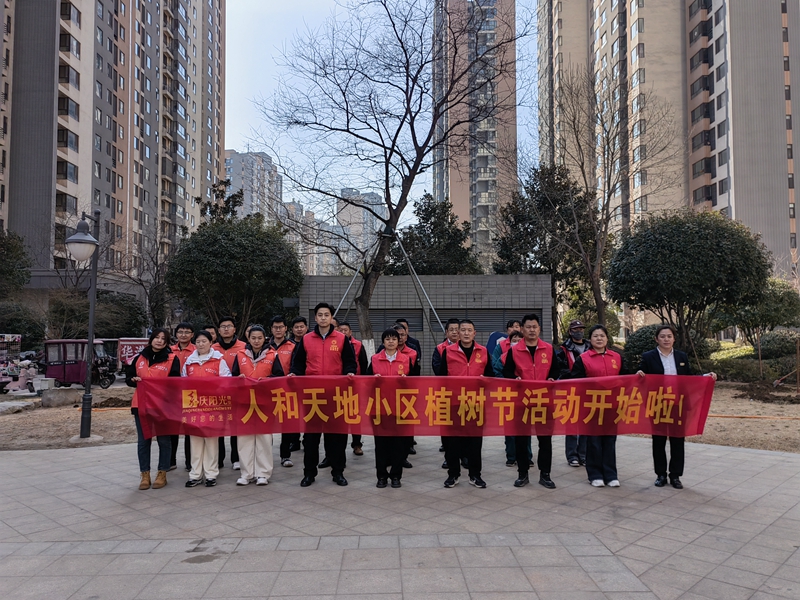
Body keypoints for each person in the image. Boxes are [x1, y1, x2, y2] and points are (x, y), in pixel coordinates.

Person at [637, 324, 717, 489]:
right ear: (656, 339)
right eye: (662, 336)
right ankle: (660, 474)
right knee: (658, 441)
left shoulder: (681, 356)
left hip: (678, 404)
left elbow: (688, 378)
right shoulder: (648, 357)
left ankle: (675, 476)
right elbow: (641, 378)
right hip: (658, 404)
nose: (666, 339)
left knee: (677, 440)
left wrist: (706, 377)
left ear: (674, 338)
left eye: (669, 336)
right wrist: (639, 375)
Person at [290, 302, 357, 487]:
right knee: (311, 438)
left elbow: (350, 362)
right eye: (320, 315)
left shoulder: (342, 339)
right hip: (313, 395)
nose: (323, 318)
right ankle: (309, 473)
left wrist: (350, 372)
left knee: (336, 436)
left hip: (336, 395)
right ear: (315, 318)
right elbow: (298, 363)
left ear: (331, 317)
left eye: (326, 315)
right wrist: (294, 373)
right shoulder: (306, 339)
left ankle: (338, 472)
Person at [503, 313, 564, 489]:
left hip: (544, 402)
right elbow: (507, 372)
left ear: (539, 329)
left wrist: (552, 378)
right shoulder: (514, 350)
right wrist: (514, 379)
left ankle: (545, 475)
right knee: (521, 440)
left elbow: (556, 370)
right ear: (522, 329)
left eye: (534, 327)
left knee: (545, 440)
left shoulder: (548, 349)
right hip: (522, 402)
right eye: (528, 327)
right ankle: (522, 474)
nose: (531, 330)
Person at [566, 324, 624, 488]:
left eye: (602, 336)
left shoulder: (617, 357)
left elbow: (626, 378)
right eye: (595, 336)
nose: (599, 339)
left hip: (612, 406)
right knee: (593, 441)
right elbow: (576, 381)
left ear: (607, 338)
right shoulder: (583, 358)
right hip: (591, 406)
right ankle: (595, 474)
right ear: (590, 339)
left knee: (610, 440)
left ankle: (611, 475)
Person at [439, 319, 494, 489]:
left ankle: (475, 475)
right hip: (454, 403)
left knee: (475, 442)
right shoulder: (448, 352)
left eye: (469, 330)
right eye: (463, 330)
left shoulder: (483, 351)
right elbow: (441, 377)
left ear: (474, 333)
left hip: (475, 403)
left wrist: (485, 382)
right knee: (452, 443)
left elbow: (491, 376)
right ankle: (453, 475)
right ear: (458, 333)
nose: (466, 333)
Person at [126, 328, 181, 490]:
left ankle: (162, 473)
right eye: (156, 337)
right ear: (151, 339)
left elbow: (175, 383)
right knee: (143, 441)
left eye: (163, 338)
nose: (159, 341)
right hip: (141, 405)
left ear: (167, 342)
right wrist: (133, 380)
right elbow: (129, 378)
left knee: (164, 440)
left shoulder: (172, 359)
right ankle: (145, 475)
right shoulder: (139, 357)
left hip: (162, 406)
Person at [182, 330, 232, 487]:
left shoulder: (219, 360)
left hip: (213, 407)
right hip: (194, 407)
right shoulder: (189, 362)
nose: (201, 344)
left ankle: (211, 474)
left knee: (211, 442)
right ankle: (195, 474)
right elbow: (183, 383)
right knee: (195, 442)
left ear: (211, 343)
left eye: (204, 341)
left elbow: (227, 381)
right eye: (198, 341)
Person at [231, 325, 278, 486]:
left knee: (264, 438)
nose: (256, 341)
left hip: (265, 402)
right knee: (244, 439)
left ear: (264, 338)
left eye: (259, 338)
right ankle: (246, 473)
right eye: (253, 338)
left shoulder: (273, 355)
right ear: (248, 339)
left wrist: (267, 380)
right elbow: (233, 376)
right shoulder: (240, 354)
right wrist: (239, 378)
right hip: (244, 402)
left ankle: (263, 473)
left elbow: (279, 376)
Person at [367, 328, 414, 488]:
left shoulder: (406, 360)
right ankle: (381, 476)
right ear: (383, 342)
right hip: (379, 408)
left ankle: (396, 476)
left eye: (394, 339)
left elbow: (416, 382)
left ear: (398, 341)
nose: (391, 342)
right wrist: (373, 380)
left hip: (400, 408)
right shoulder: (374, 359)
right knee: (381, 444)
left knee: (398, 444)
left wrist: (406, 381)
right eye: (387, 339)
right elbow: (365, 382)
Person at [492, 330, 532, 468]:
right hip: (508, 395)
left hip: (526, 396)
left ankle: (527, 456)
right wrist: (508, 381)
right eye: (514, 340)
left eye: (519, 340)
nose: (517, 342)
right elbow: (496, 371)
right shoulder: (504, 356)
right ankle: (511, 456)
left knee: (525, 427)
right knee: (510, 427)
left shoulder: (529, 357)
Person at [213, 316, 246, 471]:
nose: (226, 329)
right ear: (219, 330)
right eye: (223, 326)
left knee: (235, 426)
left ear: (234, 329)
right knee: (218, 425)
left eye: (229, 326)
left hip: (238, 393)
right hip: (217, 394)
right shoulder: (212, 348)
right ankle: (218, 459)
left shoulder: (243, 347)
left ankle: (236, 458)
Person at [558, 320, 590, 468]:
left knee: (586, 423)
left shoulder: (590, 346)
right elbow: (561, 369)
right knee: (571, 423)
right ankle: (572, 455)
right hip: (571, 390)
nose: (579, 332)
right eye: (576, 329)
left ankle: (583, 454)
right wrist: (575, 376)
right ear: (570, 331)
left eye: (581, 329)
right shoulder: (563, 349)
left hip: (589, 391)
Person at [270, 316, 300, 467]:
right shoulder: (266, 346)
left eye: (281, 327)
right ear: (271, 329)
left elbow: (296, 365)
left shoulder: (293, 346)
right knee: (266, 423)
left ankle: (285, 456)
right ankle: (265, 456)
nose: (278, 330)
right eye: (275, 327)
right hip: (268, 390)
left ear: (286, 329)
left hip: (288, 390)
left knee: (286, 424)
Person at [337, 321, 368, 456]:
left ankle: (357, 444)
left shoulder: (358, 345)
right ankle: (337, 450)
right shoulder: (334, 344)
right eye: (341, 330)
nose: (343, 332)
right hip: (337, 387)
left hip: (354, 386)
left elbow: (364, 364)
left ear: (350, 332)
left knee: (355, 417)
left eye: (346, 330)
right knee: (338, 418)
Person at [432, 318, 461, 458]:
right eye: (452, 330)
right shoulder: (440, 349)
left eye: (457, 329)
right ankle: (449, 456)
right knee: (447, 424)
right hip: (446, 392)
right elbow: (438, 369)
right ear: (446, 332)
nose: (455, 332)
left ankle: (465, 456)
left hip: (466, 394)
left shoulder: (471, 348)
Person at [170, 322, 196, 472]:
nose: (183, 335)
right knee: (172, 427)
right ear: (176, 334)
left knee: (189, 428)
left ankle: (190, 462)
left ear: (192, 335)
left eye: (187, 332)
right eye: (181, 332)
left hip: (190, 394)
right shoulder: (169, 350)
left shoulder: (196, 350)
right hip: (172, 394)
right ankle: (170, 460)